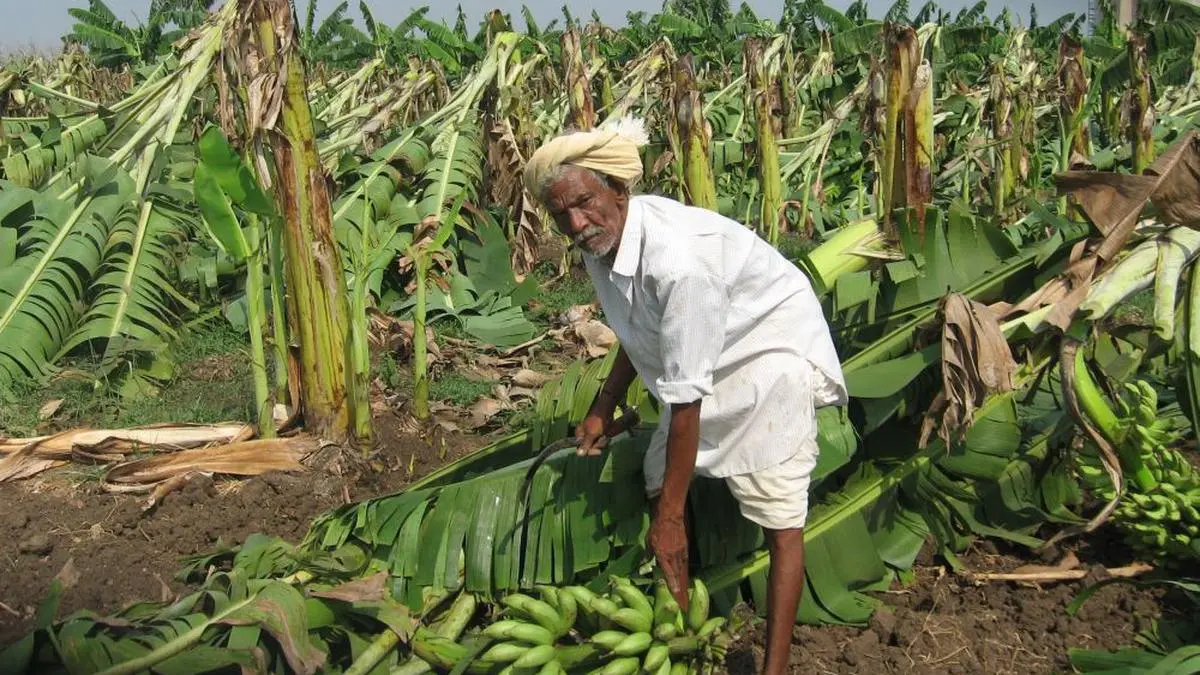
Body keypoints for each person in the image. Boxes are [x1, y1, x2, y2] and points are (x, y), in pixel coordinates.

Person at [523, 117, 847, 675]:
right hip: (702, 354)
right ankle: (680, 632)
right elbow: (639, 327)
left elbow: (687, 402)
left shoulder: (681, 264)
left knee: (779, 514)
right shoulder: (600, 244)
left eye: (584, 202)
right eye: (560, 215)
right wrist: (603, 405)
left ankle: (776, 667)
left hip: (765, 356)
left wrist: (670, 520)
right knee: (660, 479)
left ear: (619, 191)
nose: (575, 223)